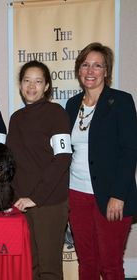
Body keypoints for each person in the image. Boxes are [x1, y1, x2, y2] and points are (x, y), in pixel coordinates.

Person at [65, 42, 137, 279]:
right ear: (78, 70)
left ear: (106, 71)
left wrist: (118, 195)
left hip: (111, 196)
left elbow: (129, 151)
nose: (90, 71)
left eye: (97, 65)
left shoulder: (122, 101)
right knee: (87, 263)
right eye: (85, 65)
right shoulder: (72, 104)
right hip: (76, 194)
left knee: (111, 265)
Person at [6, 60, 72, 280]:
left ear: (46, 86)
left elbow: (62, 159)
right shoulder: (16, 118)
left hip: (49, 203)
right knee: (29, 267)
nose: (31, 86)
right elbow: (11, 161)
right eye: (26, 80)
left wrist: (36, 197)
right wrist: (13, 196)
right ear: (20, 84)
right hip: (21, 204)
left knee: (49, 269)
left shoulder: (57, 114)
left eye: (37, 81)